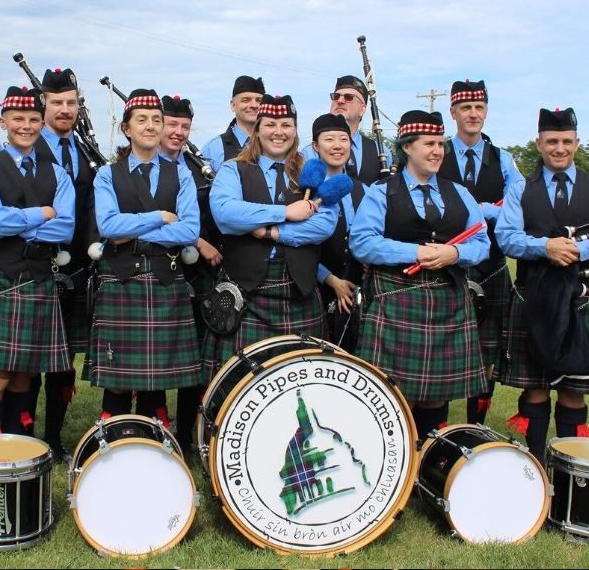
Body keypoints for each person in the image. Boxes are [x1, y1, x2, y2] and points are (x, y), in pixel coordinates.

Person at [495, 107, 589, 465]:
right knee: (535, 387)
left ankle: (569, 470)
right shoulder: (521, 188)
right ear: (539, 143)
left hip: (581, 300)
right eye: (552, 141)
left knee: (574, 390)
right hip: (533, 299)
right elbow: (506, 238)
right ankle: (535, 466)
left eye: (566, 141)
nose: (559, 148)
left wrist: (582, 249)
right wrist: (544, 247)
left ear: (577, 144)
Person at [350, 109, 490, 440]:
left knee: (437, 393)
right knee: (394, 393)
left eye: (440, 144)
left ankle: (426, 460)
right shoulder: (381, 191)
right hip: (398, 298)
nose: (437, 151)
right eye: (429, 143)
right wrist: (416, 252)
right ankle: (394, 461)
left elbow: (482, 242)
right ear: (407, 147)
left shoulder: (460, 193)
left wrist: (454, 253)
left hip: (448, 300)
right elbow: (362, 242)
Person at [0, 86, 75, 436]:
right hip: (0, 272)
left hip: (39, 273)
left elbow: (66, 226)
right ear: (3, 122)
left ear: (42, 122)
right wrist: (41, 213)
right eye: (18, 119)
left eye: (32, 119)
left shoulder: (57, 173)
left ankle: (16, 436)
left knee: (24, 369)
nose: (26, 126)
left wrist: (18, 222)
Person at [90, 89, 202, 422]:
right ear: (127, 128)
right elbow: (108, 226)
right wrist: (159, 217)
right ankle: (114, 441)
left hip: (167, 281)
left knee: (159, 378)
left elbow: (189, 231)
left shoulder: (181, 174)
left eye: (157, 119)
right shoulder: (107, 174)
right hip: (121, 281)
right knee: (119, 379)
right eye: (142, 120)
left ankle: (155, 448)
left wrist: (131, 231)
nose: (151, 126)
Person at [205, 94, 337, 376]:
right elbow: (226, 213)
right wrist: (286, 213)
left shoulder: (311, 171)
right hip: (245, 294)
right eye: (271, 124)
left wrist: (270, 232)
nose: (279, 132)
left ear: (295, 129)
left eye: (287, 124)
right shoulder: (233, 169)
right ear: (258, 128)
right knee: (236, 383)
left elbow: (324, 224)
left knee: (301, 379)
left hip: (298, 291)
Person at [440, 79, 524, 424]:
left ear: (486, 111)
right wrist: (489, 208)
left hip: (489, 264)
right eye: (465, 108)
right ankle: (438, 425)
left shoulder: (503, 160)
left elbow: (517, 206)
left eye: (479, 108)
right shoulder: (436, 150)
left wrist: (478, 208)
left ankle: (477, 424)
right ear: (453, 112)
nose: (472, 114)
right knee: (441, 346)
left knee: (485, 351)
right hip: (445, 263)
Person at [29, 67, 96, 461]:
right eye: (57, 103)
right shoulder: (29, 147)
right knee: (26, 361)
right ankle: (26, 437)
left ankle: (53, 438)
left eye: (71, 102)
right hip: (38, 265)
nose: (65, 109)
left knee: (63, 361)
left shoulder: (84, 149)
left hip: (77, 270)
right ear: (44, 105)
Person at [158, 93, 217, 455]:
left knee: (191, 361)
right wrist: (198, 239)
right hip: (159, 272)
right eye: (172, 124)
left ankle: (186, 435)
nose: (178, 132)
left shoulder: (196, 168)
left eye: (185, 126)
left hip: (198, 277)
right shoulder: (144, 165)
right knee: (158, 360)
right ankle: (150, 430)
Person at [312, 113, 366, 352]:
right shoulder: (304, 190)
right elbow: (296, 246)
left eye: (343, 139)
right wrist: (332, 281)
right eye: (329, 139)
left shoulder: (363, 189)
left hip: (356, 289)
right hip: (316, 289)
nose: (337, 146)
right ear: (315, 145)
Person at [301, 75, 390, 182]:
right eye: (336, 96)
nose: (340, 101)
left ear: (362, 109)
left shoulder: (381, 152)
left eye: (349, 97)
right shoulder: (308, 153)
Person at [200, 75, 264, 165]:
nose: (254, 105)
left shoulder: (275, 144)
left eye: (259, 101)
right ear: (233, 105)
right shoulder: (214, 148)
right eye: (246, 100)